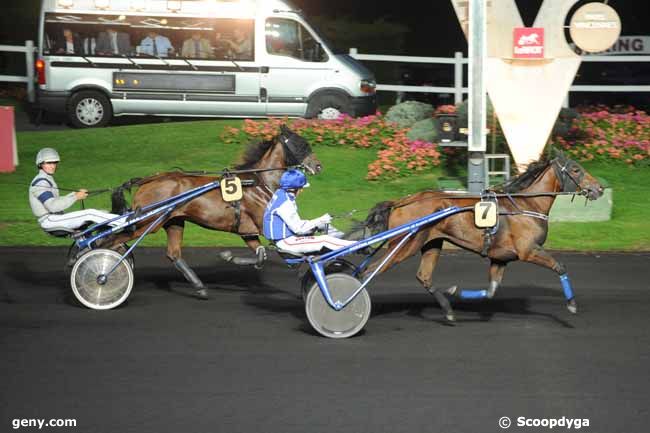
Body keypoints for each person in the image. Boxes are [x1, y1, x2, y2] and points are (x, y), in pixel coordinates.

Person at [29, 148, 124, 233]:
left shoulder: (46, 178)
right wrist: (76, 197)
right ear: (40, 164)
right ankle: (124, 221)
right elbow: (53, 206)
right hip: (50, 220)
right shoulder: (41, 183)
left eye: (54, 162)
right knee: (89, 213)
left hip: (54, 218)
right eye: (49, 163)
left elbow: (56, 201)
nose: (53, 166)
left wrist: (75, 194)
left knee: (101, 212)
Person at [263, 169, 356, 255]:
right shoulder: (285, 204)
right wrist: (321, 219)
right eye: (301, 188)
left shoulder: (281, 193)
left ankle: (345, 239)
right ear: (295, 189)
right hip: (286, 242)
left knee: (322, 225)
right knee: (325, 240)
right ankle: (357, 246)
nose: (302, 191)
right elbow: (298, 229)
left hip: (286, 237)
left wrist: (320, 221)